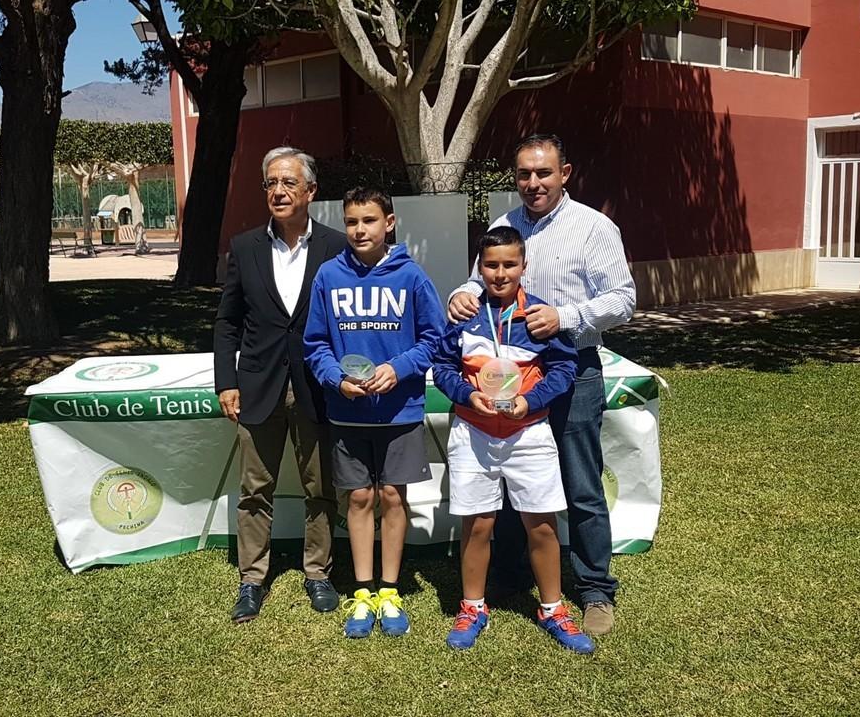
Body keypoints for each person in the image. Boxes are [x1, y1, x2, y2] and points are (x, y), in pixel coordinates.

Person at [448, 134, 636, 635]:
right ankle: (511, 576)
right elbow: (479, 278)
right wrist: (462, 296)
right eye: (525, 175)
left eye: (544, 173)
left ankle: (595, 589)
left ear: (565, 173)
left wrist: (567, 315)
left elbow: (624, 299)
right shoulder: (503, 225)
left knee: (580, 485)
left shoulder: (594, 227)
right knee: (512, 481)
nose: (533, 183)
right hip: (506, 372)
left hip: (569, 367)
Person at [433, 226, 592, 653]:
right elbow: (443, 365)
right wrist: (467, 395)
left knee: (540, 523)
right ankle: (472, 607)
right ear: (479, 267)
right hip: (474, 430)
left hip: (528, 431)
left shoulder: (540, 316)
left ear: (524, 265)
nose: (500, 273)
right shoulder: (463, 315)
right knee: (478, 523)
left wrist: (530, 401)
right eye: (491, 264)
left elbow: (562, 369)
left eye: (509, 264)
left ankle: (553, 608)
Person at [303, 186, 445, 639]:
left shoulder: (412, 277)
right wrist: (333, 378)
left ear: (390, 223)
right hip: (347, 413)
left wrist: (398, 368)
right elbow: (316, 343)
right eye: (351, 221)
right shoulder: (328, 275)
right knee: (360, 498)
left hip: (399, 411)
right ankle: (362, 592)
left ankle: (390, 589)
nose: (359, 230)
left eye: (368, 220)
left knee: (392, 497)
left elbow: (434, 339)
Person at [214, 146, 348, 623]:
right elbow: (227, 321)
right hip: (257, 385)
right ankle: (252, 580)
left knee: (321, 487)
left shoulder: (336, 246)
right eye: (271, 183)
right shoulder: (245, 245)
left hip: (317, 386)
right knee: (255, 488)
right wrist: (226, 382)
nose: (278, 191)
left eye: (289, 182)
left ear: (311, 191)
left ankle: (319, 573)